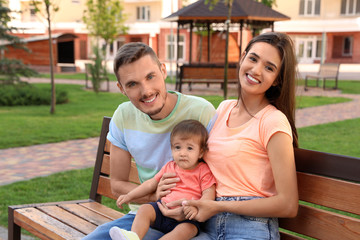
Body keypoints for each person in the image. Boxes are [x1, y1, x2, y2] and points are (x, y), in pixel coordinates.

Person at [83, 42, 216, 240]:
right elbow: (117, 184)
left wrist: (191, 206)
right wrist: (155, 197)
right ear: (121, 89)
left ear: (163, 71)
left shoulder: (201, 112)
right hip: (146, 215)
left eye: (150, 76)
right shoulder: (123, 116)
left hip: (195, 221)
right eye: (132, 84)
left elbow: (219, 179)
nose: (145, 91)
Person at [174, 32, 299, 239]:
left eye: (269, 68)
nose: (256, 70)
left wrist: (217, 206)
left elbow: (288, 204)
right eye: (253, 59)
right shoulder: (224, 108)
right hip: (207, 225)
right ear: (242, 58)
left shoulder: (273, 121)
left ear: (277, 80)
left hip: (249, 229)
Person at [109, 119, 216, 240]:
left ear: (201, 152)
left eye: (189, 148)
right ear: (171, 149)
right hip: (161, 210)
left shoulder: (203, 170)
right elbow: (150, 184)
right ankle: (133, 237)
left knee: (188, 230)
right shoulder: (170, 167)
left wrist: (196, 207)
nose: (182, 153)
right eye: (178, 147)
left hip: (187, 217)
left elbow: (209, 193)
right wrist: (130, 196)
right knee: (145, 209)